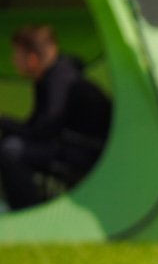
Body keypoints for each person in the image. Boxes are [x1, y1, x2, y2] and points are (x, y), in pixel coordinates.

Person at [0, 25, 111, 210]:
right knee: (11, 143)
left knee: (10, 149)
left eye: (16, 55)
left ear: (33, 59)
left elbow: (43, 132)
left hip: (88, 153)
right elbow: (36, 126)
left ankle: (27, 213)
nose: (13, 61)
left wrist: (3, 121)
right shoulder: (48, 76)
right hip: (71, 147)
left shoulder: (59, 78)